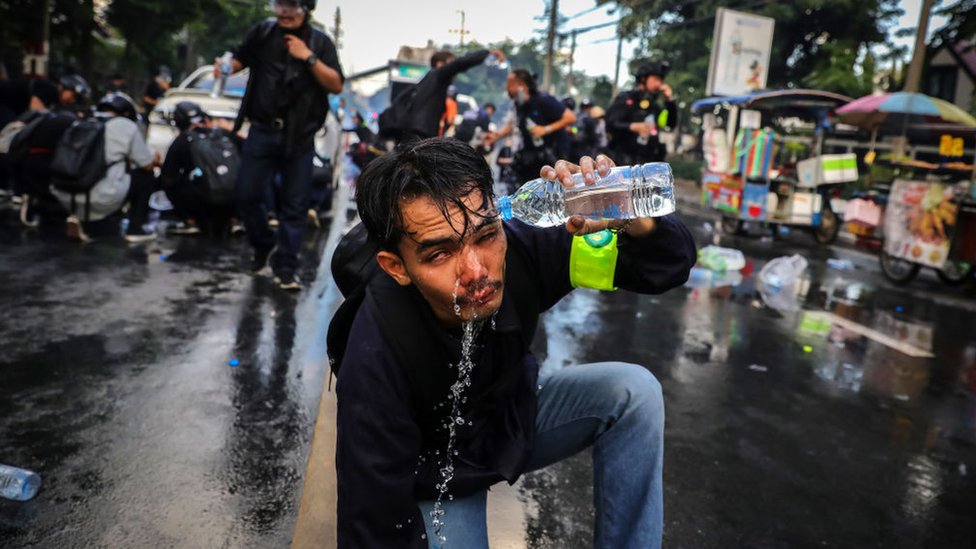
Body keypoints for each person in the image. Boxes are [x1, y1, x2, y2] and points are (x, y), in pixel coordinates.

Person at [335, 138, 696, 548]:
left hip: (511, 418)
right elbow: (371, 518)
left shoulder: (524, 247)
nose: (476, 270)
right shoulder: (374, 352)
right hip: (437, 469)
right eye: (439, 254)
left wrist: (626, 214)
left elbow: (670, 265)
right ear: (396, 267)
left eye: (486, 235)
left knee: (634, 393)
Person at [218, 0, 343, 290]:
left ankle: (286, 267)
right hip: (261, 131)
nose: (284, 12)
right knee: (246, 194)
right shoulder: (262, 33)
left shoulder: (320, 42)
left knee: (295, 205)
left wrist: (308, 57)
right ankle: (263, 244)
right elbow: (237, 60)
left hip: (299, 137)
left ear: (305, 8)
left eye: (291, 6)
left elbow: (336, 84)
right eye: (279, 4)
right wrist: (224, 66)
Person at [50, 92, 160, 242]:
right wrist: (154, 160)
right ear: (127, 113)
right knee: (145, 176)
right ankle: (136, 229)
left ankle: (87, 221)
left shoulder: (83, 120)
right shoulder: (125, 125)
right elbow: (146, 165)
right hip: (101, 198)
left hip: (65, 195)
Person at [382, 47, 505, 144]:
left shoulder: (428, 81)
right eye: (450, 63)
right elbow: (460, 63)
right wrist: (487, 53)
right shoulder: (438, 74)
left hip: (413, 131)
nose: (453, 70)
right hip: (420, 132)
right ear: (440, 64)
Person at [159, 101, 240, 236]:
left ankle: (190, 222)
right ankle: (235, 219)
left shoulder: (182, 140)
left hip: (200, 200)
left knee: (170, 181)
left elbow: (168, 176)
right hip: (233, 198)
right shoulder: (226, 135)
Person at [484, 69, 576, 183]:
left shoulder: (543, 100)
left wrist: (545, 129)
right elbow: (512, 125)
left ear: (522, 86)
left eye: (510, 85)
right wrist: (495, 137)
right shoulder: (519, 105)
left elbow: (570, 117)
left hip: (549, 158)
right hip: (529, 159)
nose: (507, 90)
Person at [606, 61, 676, 165]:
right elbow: (610, 124)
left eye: (661, 80)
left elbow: (669, 124)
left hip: (647, 164)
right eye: (656, 79)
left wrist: (669, 101)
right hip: (623, 163)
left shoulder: (655, 106)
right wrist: (632, 126)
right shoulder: (626, 99)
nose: (659, 84)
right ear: (643, 79)